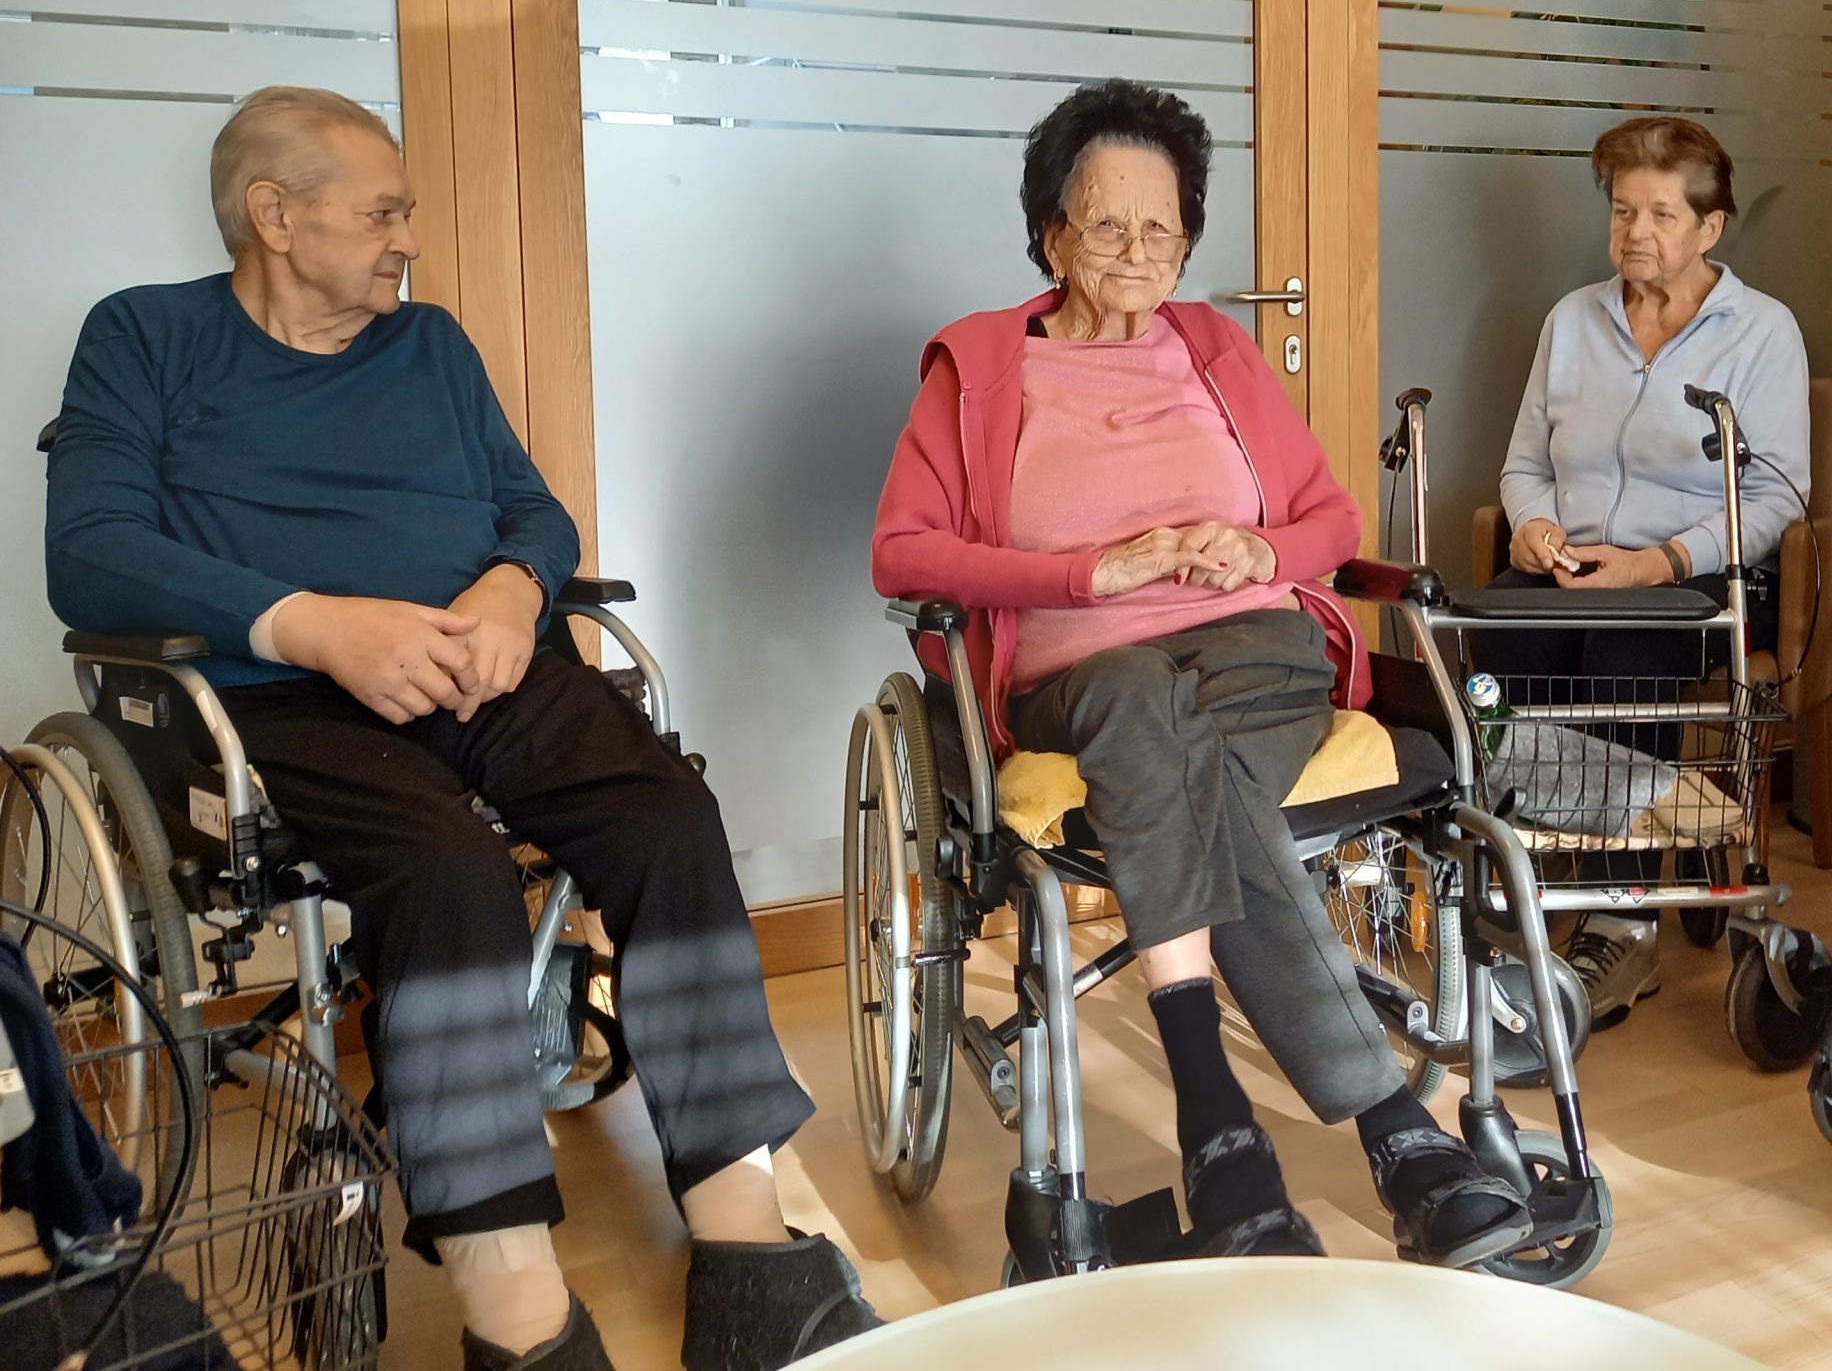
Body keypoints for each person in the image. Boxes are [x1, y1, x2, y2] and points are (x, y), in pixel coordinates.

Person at [44, 86, 874, 1371]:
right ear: (274, 214)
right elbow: (90, 553)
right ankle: (515, 1308)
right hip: (277, 701)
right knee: (446, 872)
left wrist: (510, 591)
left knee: (666, 817)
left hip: (482, 666)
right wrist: (315, 626)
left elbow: (533, 510)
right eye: (383, 213)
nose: (409, 240)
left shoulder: (429, 343)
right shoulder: (144, 337)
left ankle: (745, 1243)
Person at [872, 80, 1532, 1268]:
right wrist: (1088, 574)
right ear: (1051, 237)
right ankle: (1394, 1132)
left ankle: (1220, 1139)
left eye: (1162, 229)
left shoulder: (1216, 349)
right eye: (1106, 226)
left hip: (1255, 657)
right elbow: (903, 552)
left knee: (1180, 743)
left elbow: (1331, 519)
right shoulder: (978, 366)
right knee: (1144, 705)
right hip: (1082, 674)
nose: (1138, 252)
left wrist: (1262, 552)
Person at [1487, 115, 1810, 1028]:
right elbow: (1523, 464)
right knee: (1490, 646)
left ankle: (1623, 925)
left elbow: (1778, 498)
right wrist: (1534, 526)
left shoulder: (1762, 331)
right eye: (1623, 211)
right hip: (1575, 560)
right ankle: (1535, 869)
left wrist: (1659, 563)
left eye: (1661, 214)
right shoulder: (1573, 320)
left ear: (1710, 227)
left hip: (1697, 573)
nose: (1636, 232)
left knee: (1624, 653)